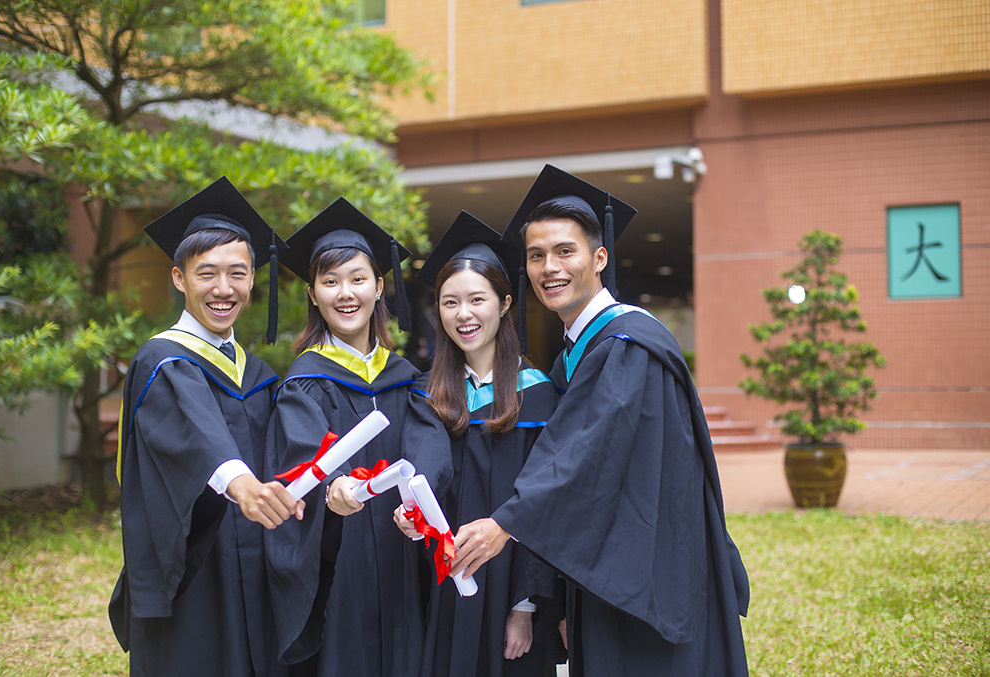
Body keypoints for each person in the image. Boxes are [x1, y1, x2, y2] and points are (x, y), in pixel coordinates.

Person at [450, 165, 751, 676]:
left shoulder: (627, 344)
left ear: (599, 257)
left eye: (566, 251)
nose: (550, 267)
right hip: (615, 560)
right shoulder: (582, 352)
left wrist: (506, 522)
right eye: (537, 255)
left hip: (646, 565)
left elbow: (592, 453)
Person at [109, 176, 302, 677]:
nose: (223, 289)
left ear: (253, 279)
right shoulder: (163, 359)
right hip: (195, 560)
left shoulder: (257, 372)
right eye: (207, 273)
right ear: (179, 278)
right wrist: (242, 485)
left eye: (237, 273)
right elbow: (196, 430)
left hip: (257, 554)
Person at [264, 197, 452, 676]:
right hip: (339, 556)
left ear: (379, 287)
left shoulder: (404, 377)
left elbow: (427, 443)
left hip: (401, 548)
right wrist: (334, 485)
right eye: (330, 282)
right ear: (312, 294)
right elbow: (303, 450)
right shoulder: (305, 380)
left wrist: (419, 498)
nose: (345, 293)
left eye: (357, 279)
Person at [399, 212, 564, 677]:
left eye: (477, 299)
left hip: (508, 587)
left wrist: (525, 606)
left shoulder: (538, 394)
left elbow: (542, 505)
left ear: (505, 302)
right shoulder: (424, 394)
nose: (463, 314)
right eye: (450, 302)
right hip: (440, 583)